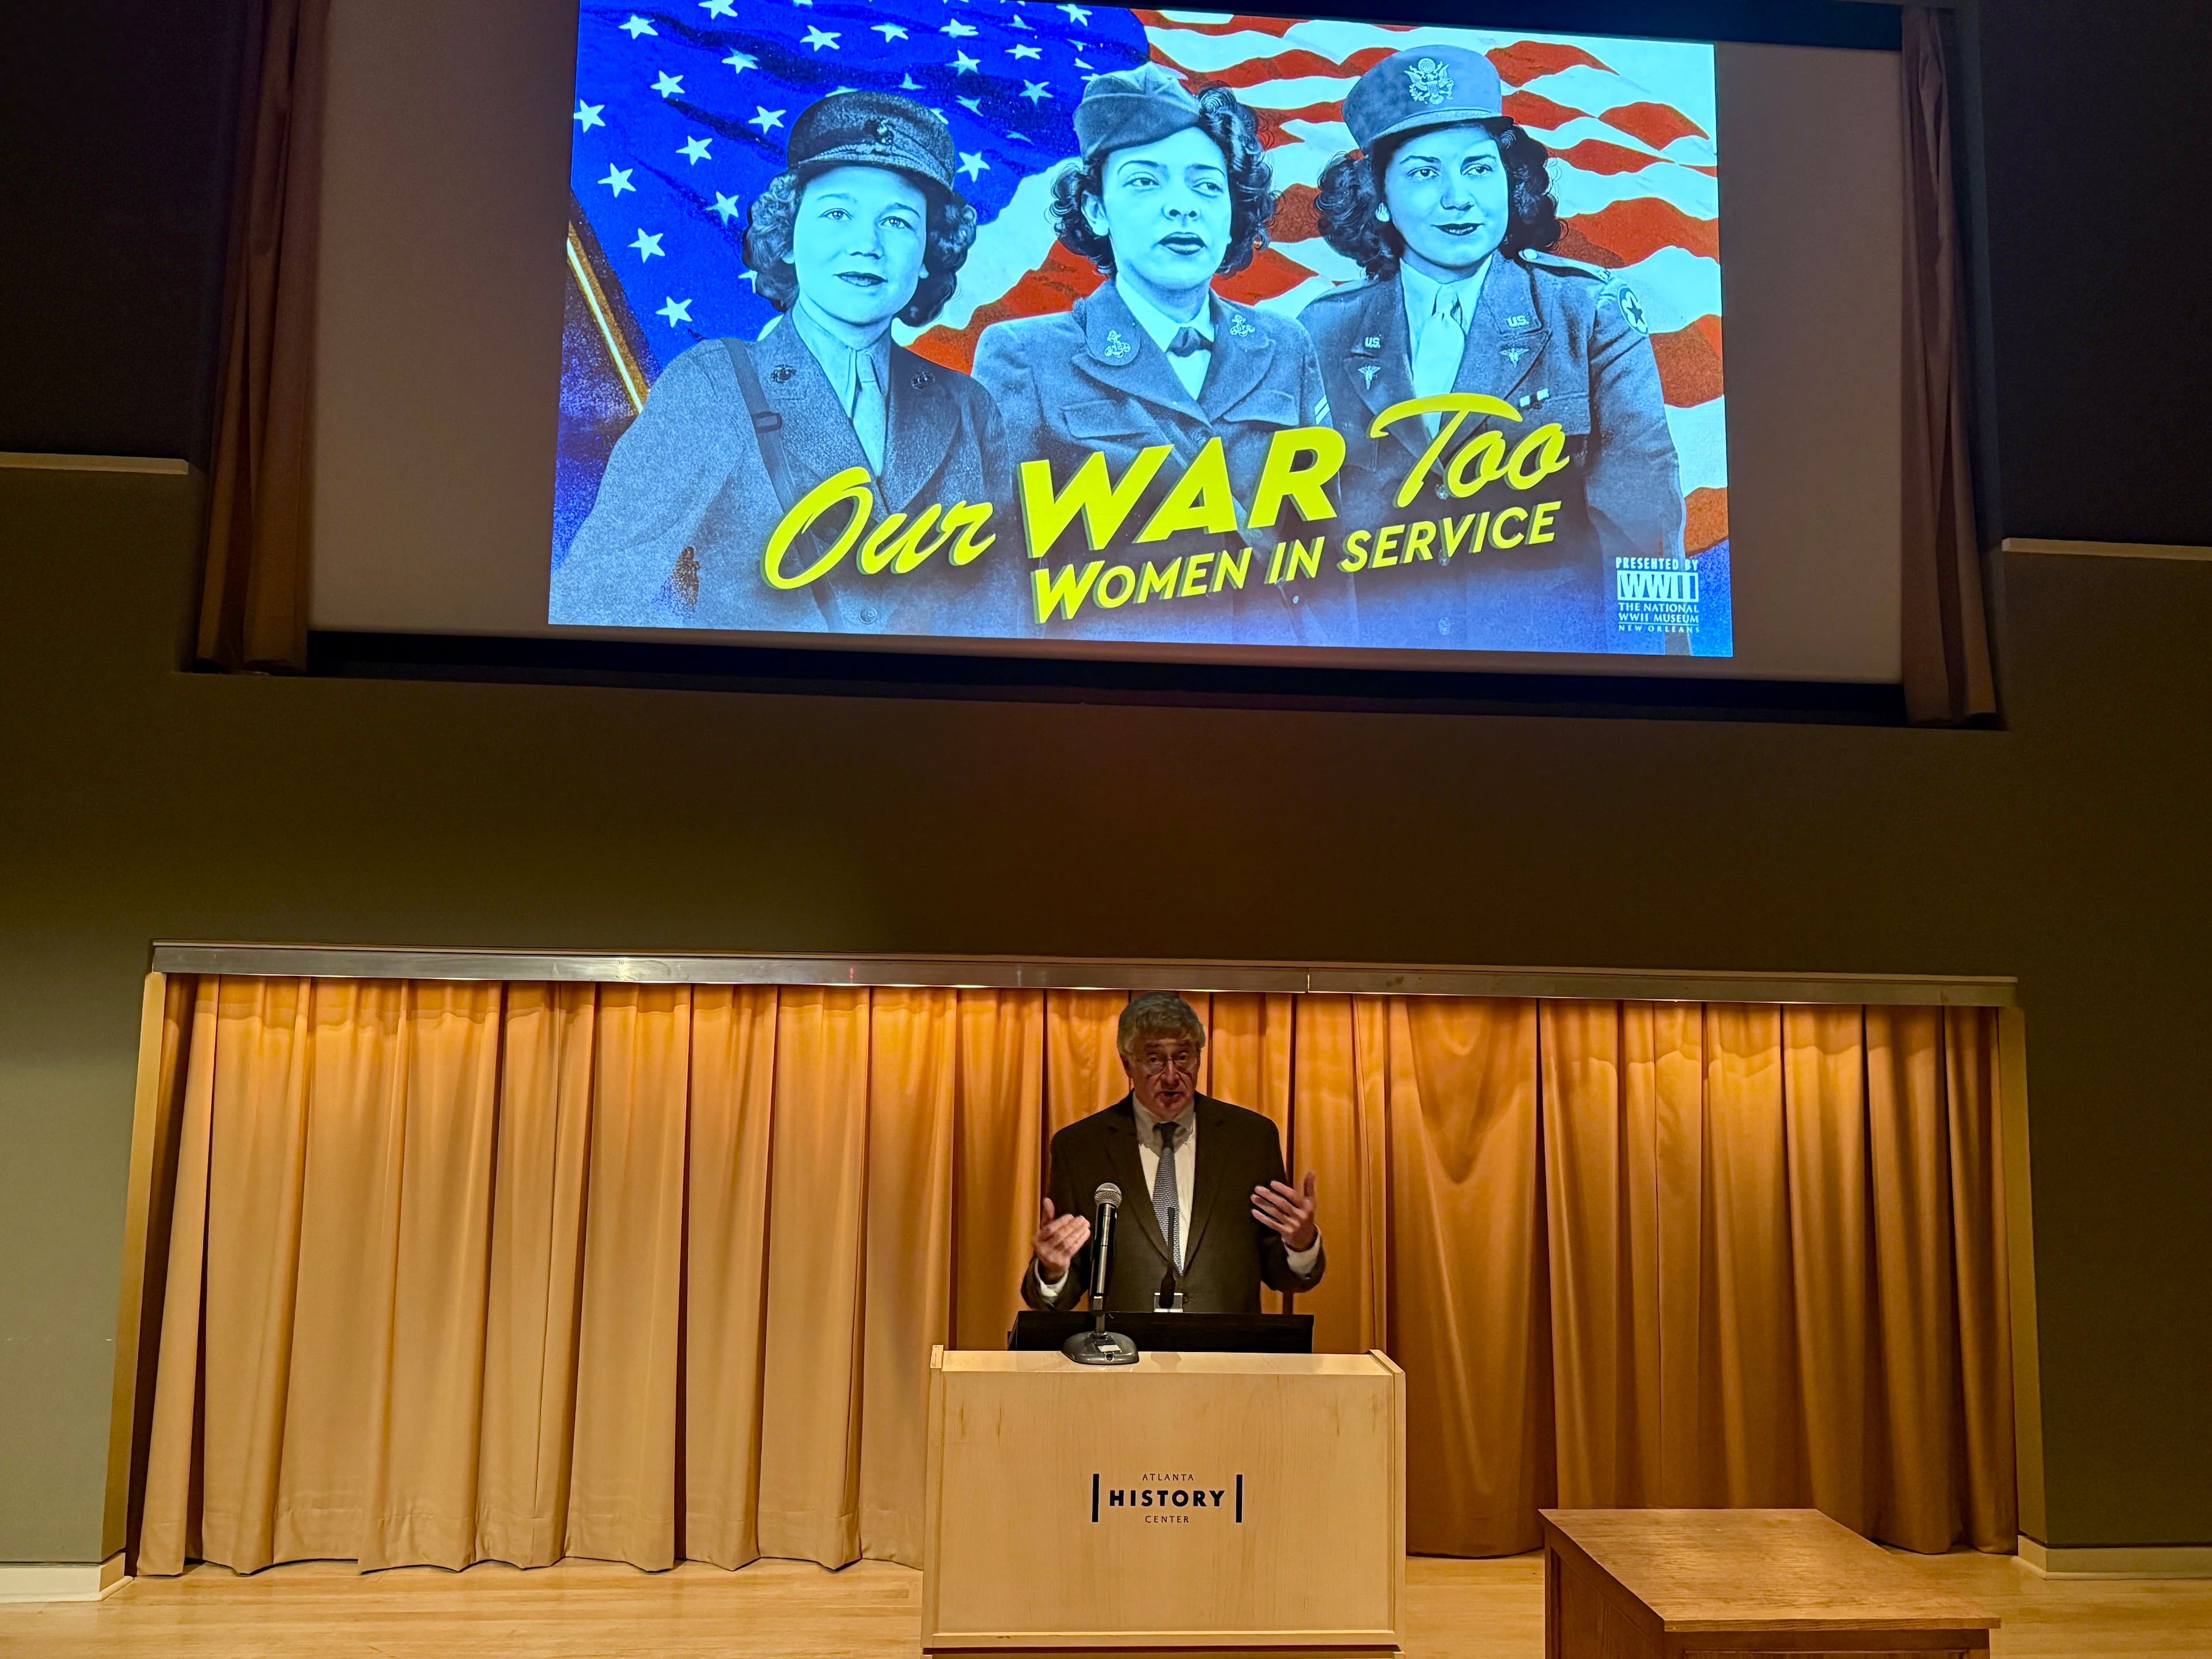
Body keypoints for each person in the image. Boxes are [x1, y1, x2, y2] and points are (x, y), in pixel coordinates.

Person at [552, 92, 1011, 635]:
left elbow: (1003, 606)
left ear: (928, 254)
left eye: (898, 222)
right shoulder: (715, 385)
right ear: (789, 236)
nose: (867, 245)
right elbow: (595, 592)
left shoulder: (969, 407)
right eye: (838, 213)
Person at [1300, 47, 1685, 653]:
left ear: (1511, 180)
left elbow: (1645, 527)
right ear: (1378, 198)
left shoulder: (1587, 315)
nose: (1460, 198)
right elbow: (1303, 546)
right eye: (1425, 173)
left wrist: (1658, 693)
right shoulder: (1323, 333)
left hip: (1549, 692)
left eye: (1478, 169)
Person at [973, 66, 1351, 646]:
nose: (1183, 208)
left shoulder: (1284, 345)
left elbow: (1324, 558)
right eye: (1146, 183)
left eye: (1206, 185)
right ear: (1097, 212)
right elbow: (999, 576)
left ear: (1231, 214)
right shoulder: (1025, 357)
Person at [1024, 993, 1324, 1315]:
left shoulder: (1251, 1139)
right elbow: (1065, 1289)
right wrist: (1053, 1272)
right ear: (1128, 1064)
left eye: (1183, 1058)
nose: (1170, 1076)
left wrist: (1302, 1244)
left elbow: (1282, 1274)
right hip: (1123, 1355)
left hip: (1229, 1357)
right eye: (1154, 1060)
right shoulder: (1082, 1146)